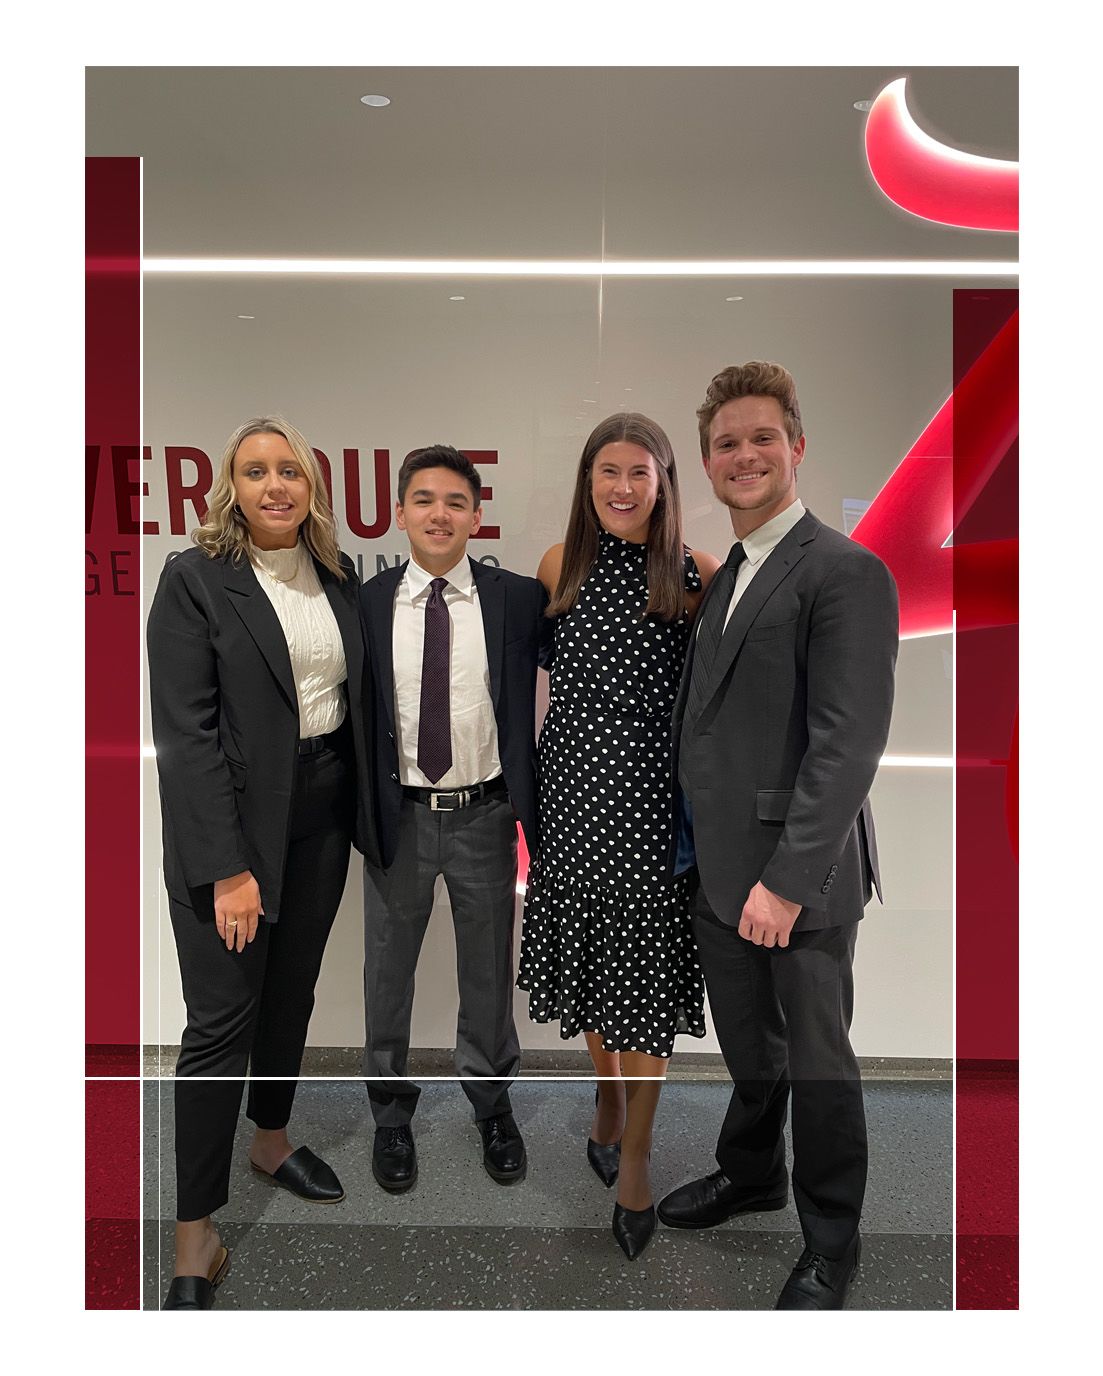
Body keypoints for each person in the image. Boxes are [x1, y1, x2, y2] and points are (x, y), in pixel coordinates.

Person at [656, 363, 898, 1310]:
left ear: (796, 447)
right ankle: (751, 1173)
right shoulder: (728, 577)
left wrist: (787, 880)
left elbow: (846, 745)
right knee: (750, 1048)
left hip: (796, 877)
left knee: (816, 1058)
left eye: (762, 438)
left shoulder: (843, 570)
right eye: (725, 444)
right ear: (708, 467)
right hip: (717, 871)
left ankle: (831, 1240)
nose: (743, 455)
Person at [147, 416, 377, 1310]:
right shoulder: (196, 580)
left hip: (319, 816)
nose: (275, 485)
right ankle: (195, 1235)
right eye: (256, 471)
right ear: (230, 487)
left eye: (290, 471)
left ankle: (271, 1139)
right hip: (234, 828)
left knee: (291, 993)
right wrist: (228, 868)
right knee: (218, 1026)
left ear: (312, 486)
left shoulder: (337, 575)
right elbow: (188, 737)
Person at [517, 413, 720, 1260]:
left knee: (640, 981)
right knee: (592, 967)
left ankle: (634, 1156)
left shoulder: (695, 573)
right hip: (568, 797)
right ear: (587, 478)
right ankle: (606, 1094)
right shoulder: (560, 565)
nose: (623, 487)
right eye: (609, 470)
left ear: (665, 482)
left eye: (641, 472)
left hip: (647, 803)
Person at [359, 445, 547, 1193]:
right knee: (386, 976)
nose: (440, 514)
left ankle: (491, 1106)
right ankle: (388, 1114)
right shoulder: (365, 604)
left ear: (476, 517)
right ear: (399, 513)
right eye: (424, 500)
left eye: (455, 502)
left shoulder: (516, 599)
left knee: (486, 973)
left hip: (484, 813)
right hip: (397, 817)